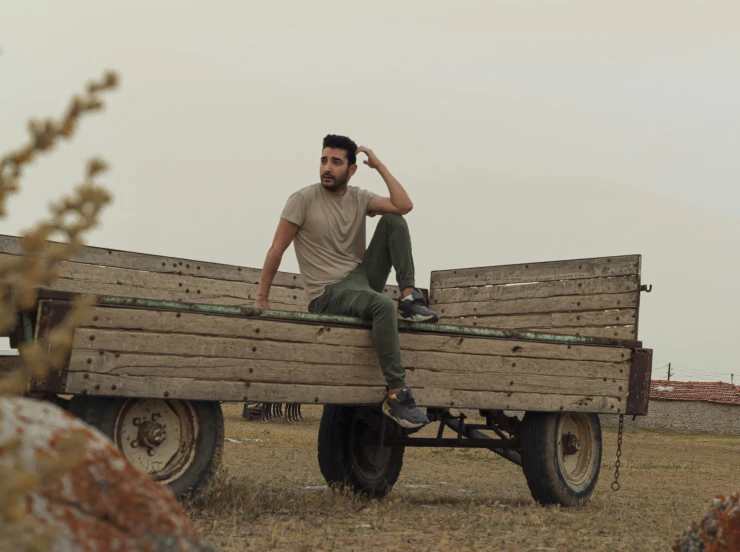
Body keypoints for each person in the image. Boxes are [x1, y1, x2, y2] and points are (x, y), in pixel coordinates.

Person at [254, 134, 438, 429]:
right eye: (324, 160)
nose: (327, 167)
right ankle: (396, 394)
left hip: (360, 280)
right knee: (380, 304)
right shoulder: (303, 199)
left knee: (394, 221)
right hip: (327, 293)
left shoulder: (359, 197)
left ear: (351, 169)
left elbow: (404, 205)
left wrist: (378, 165)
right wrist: (262, 297)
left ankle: (408, 297)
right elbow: (277, 247)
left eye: (336, 162)